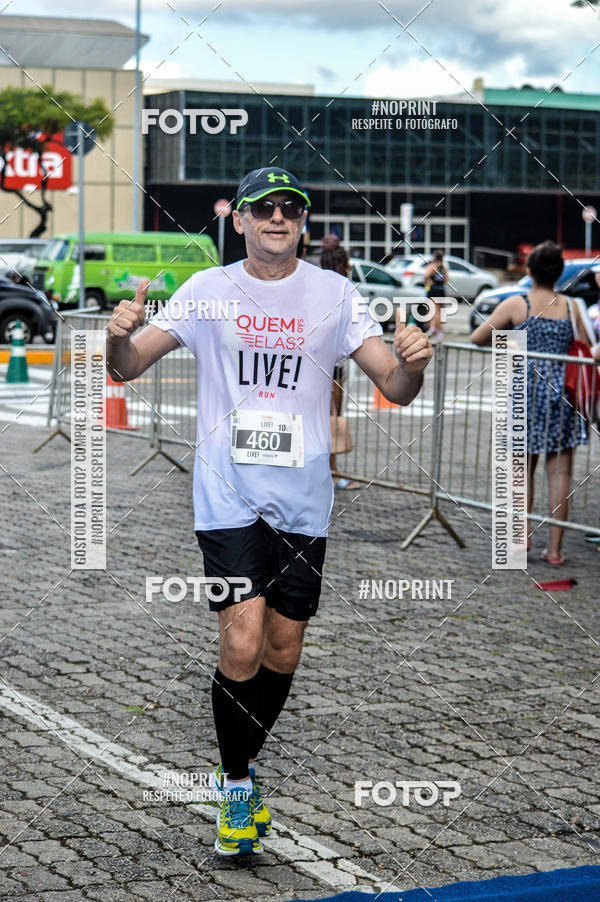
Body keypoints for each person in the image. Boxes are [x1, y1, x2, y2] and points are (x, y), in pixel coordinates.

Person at [106, 166, 432, 856]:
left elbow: (395, 386)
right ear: (240, 221)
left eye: (290, 207)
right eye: (263, 208)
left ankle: (243, 768)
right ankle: (234, 787)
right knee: (242, 641)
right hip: (227, 494)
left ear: (302, 222)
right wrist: (116, 337)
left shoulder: (336, 295)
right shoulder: (206, 291)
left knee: (283, 648)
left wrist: (415, 364)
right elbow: (127, 367)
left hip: (304, 502)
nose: (277, 216)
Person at [471, 240, 590, 565]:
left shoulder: (517, 302)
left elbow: (477, 337)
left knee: (521, 470)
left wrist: (510, 343)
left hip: (525, 391)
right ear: (559, 272)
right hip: (563, 394)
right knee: (560, 473)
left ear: (530, 271)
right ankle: (555, 549)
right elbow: (584, 345)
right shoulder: (572, 306)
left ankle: (520, 539)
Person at [319, 240, 359, 489]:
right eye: (347, 264)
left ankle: (328, 471)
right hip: (330, 368)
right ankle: (332, 473)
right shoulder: (338, 291)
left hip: (328, 367)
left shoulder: (317, 288)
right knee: (331, 419)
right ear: (341, 264)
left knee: (326, 419)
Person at [423, 250, 449, 339]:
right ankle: (439, 330)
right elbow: (447, 280)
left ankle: (432, 328)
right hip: (441, 289)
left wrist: (428, 281)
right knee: (440, 311)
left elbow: (426, 276)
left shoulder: (432, 266)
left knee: (433, 310)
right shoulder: (443, 267)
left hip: (433, 289)